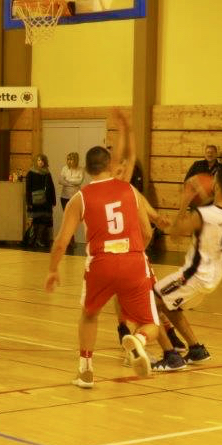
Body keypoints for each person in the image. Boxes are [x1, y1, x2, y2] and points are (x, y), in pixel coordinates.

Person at [45, 111, 159, 387]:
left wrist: (52, 270)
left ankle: (85, 370)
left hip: (101, 263)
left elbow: (61, 242)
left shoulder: (80, 198)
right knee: (151, 324)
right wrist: (126, 128)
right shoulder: (128, 188)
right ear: (110, 165)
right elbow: (146, 231)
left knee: (89, 315)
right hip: (133, 261)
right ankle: (138, 340)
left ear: (86, 169)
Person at [150, 168, 222, 371]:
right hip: (214, 276)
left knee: (151, 300)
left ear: (217, 186)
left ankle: (171, 357)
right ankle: (196, 349)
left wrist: (185, 201)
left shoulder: (202, 215)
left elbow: (175, 234)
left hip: (194, 275)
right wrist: (201, 193)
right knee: (170, 305)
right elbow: (218, 211)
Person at [24, 154, 56, 249]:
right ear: (35, 162)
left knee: (44, 221)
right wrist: (29, 202)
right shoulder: (31, 173)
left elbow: (51, 188)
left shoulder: (47, 173)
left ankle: (39, 240)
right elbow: (28, 189)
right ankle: (31, 240)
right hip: (34, 201)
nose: (40, 162)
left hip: (46, 202)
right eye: (38, 160)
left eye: (42, 160)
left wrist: (53, 201)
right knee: (35, 221)